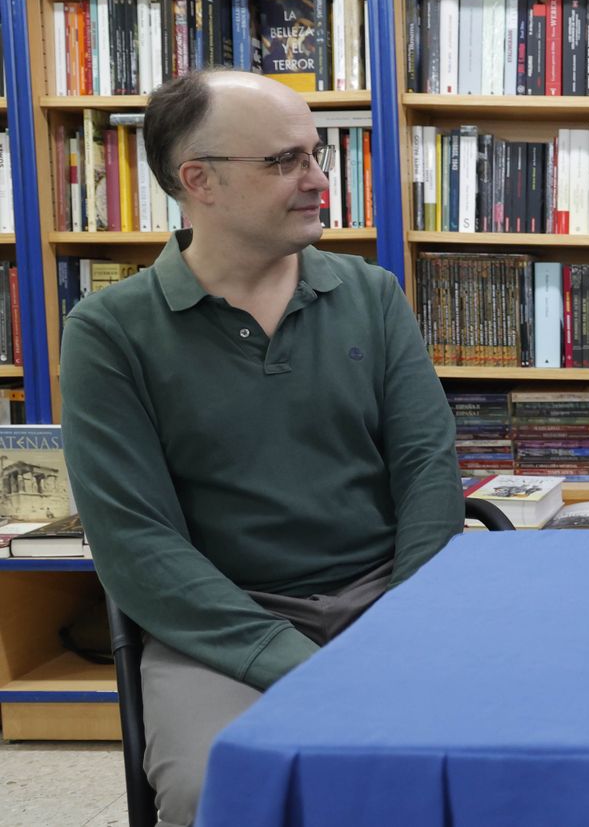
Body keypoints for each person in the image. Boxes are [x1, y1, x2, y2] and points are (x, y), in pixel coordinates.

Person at [59, 71, 464, 826]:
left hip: (390, 600)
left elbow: (428, 471)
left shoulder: (371, 294)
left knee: (508, 751)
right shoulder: (109, 332)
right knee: (221, 786)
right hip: (222, 625)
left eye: (316, 155)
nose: (318, 180)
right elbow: (137, 543)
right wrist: (300, 666)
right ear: (198, 181)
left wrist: (406, 627)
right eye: (285, 161)